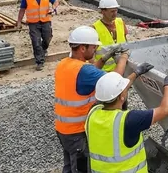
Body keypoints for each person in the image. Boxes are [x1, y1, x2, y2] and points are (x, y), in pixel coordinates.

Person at [54, 26, 129, 173]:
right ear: (82, 48)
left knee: (69, 166)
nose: (95, 49)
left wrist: (104, 58)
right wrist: (124, 58)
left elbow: (89, 71)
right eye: (93, 47)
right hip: (78, 132)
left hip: (63, 129)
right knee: (82, 168)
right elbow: (114, 80)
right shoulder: (84, 71)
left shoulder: (64, 64)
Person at [85, 68, 168, 172]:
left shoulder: (92, 113)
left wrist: (136, 73)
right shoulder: (128, 121)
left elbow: (112, 95)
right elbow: (167, 109)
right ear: (122, 96)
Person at [17, 0, 61, 70]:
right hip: (33, 23)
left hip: (45, 21)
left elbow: (56, 1)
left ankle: (43, 49)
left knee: (47, 38)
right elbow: (22, 10)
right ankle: (39, 62)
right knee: (36, 42)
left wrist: (53, 8)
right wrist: (19, 22)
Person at [92, 0, 128, 73]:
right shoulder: (95, 28)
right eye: (112, 11)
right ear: (103, 11)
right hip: (104, 71)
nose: (115, 13)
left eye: (116, 10)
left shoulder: (120, 22)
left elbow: (126, 42)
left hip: (121, 68)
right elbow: (91, 54)